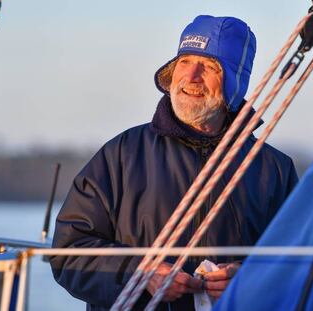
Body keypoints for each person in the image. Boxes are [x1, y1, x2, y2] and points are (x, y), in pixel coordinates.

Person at [50, 15, 298, 311]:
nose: (191, 76)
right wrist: (139, 274)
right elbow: (68, 250)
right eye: (184, 61)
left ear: (235, 83)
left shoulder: (274, 169)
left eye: (209, 66)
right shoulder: (122, 154)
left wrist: (250, 278)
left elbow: (301, 262)